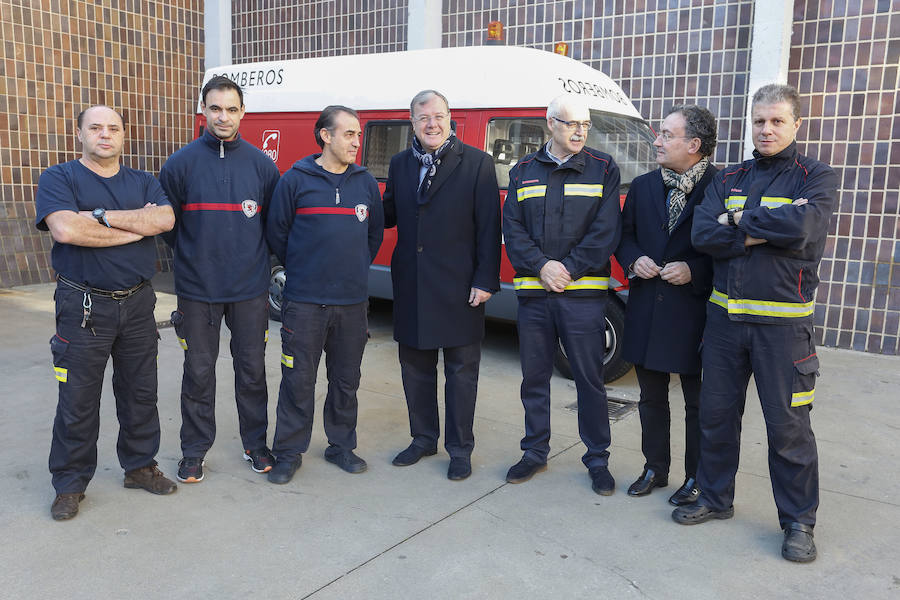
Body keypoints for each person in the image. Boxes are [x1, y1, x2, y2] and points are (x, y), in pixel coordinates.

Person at [674, 83, 837, 564]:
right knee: (716, 418)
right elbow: (704, 235)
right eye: (759, 121)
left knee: (788, 429)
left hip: (784, 333)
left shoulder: (817, 176)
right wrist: (765, 226)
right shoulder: (730, 176)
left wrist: (737, 220)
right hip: (725, 324)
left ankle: (798, 522)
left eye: (777, 121)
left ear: (795, 124)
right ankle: (715, 497)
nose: (766, 129)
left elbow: (805, 231)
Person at [35, 105, 178, 520]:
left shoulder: (144, 180)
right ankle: (69, 484)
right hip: (83, 306)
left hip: (137, 304)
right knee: (77, 400)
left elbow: (165, 220)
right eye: (95, 127)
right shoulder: (59, 178)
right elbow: (65, 230)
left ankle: (139, 467)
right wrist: (137, 227)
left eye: (113, 128)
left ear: (123, 135)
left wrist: (99, 218)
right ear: (79, 133)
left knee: (140, 393)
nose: (105, 135)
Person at [158, 76, 281, 483]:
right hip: (198, 291)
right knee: (198, 371)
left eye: (231, 109)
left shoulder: (263, 166)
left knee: (252, 371)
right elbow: (168, 225)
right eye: (215, 108)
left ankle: (255, 444)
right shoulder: (180, 164)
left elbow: (273, 226)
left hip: (249, 291)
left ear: (243, 112)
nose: (223, 116)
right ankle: (194, 451)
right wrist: (196, 257)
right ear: (203, 111)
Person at [502, 94, 622, 495]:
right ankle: (534, 452)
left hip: (583, 298)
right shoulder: (522, 172)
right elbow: (513, 231)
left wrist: (566, 268)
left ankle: (598, 459)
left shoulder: (603, 168)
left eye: (585, 125)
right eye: (572, 124)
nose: (580, 132)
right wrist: (542, 266)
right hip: (535, 297)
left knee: (590, 380)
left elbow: (605, 232)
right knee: (534, 379)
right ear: (550, 124)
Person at [383, 90, 501, 481]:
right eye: (423, 117)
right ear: (412, 122)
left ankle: (459, 449)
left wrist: (486, 279)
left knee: (461, 372)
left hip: (461, 286)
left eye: (438, 116)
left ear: (450, 118)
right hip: (413, 283)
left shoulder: (478, 164)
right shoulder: (400, 164)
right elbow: (385, 215)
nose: (431, 124)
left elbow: (489, 228)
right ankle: (423, 438)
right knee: (414, 368)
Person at [264, 106, 384, 484]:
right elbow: (278, 233)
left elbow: (373, 237)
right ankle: (288, 452)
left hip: (351, 304)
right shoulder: (295, 180)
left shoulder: (364, 182)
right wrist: (308, 269)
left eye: (358, 134)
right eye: (348, 133)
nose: (356, 141)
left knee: (346, 380)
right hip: (304, 303)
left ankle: (341, 446)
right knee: (297, 380)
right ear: (325, 136)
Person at [615, 105, 717, 505]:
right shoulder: (642, 186)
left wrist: (695, 270)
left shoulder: (721, 185)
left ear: (693, 144)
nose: (656, 141)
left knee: (697, 402)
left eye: (666, 134)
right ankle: (655, 467)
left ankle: (696, 476)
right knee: (650, 396)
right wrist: (632, 258)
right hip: (647, 308)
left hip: (694, 313)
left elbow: (728, 252)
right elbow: (624, 236)